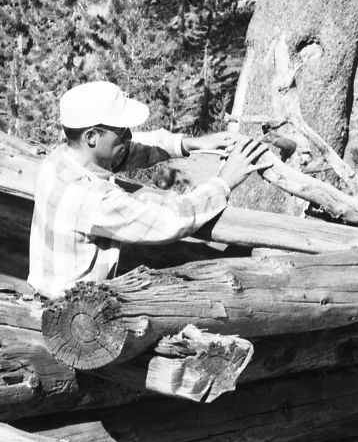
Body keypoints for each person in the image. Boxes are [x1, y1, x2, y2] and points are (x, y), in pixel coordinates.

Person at [27, 80, 268, 295]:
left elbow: (128, 152)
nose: (129, 134)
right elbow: (170, 220)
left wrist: (188, 144)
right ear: (91, 137)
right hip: (75, 320)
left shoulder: (59, 160)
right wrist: (223, 182)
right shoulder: (93, 199)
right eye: (121, 131)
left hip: (49, 297)